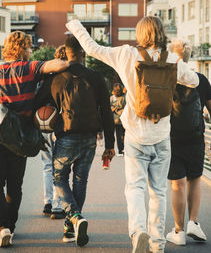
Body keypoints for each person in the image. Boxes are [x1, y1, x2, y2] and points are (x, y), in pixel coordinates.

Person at [66, 17, 199, 253]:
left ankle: (138, 231)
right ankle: (157, 244)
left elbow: (92, 48)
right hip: (161, 136)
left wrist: (75, 25)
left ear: (140, 33)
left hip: (135, 136)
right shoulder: (171, 58)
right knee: (158, 191)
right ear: (161, 32)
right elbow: (194, 80)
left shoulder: (126, 54)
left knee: (135, 188)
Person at [0, 31, 68, 248]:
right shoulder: (30, 68)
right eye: (29, 48)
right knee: (14, 185)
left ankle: (1, 226)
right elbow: (60, 65)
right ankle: (10, 227)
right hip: (19, 138)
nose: (31, 51)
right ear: (23, 49)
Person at [51, 35, 115, 247]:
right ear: (83, 52)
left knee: (59, 179)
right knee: (80, 180)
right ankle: (71, 228)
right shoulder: (96, 77)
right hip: (89, 138)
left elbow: (40, 105)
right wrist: (109, 145)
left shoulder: (56, 77)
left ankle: (75, 218)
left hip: (65, 136)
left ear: (67, 52)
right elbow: (106, 112)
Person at [166, 39, 211, 246]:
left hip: (171, 139)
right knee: (195, 179)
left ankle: (178, 232)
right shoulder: (200, 79)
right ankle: (194, 223)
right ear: (188, 58)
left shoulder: (167, 80)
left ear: (172, 57)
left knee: (177, 184)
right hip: (195, 138)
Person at [37, 45, 67, 219]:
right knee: (60, 167)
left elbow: (37, 100)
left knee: (47, 166)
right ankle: (57, 205)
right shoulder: (68, 77)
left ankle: (47, 202)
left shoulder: (46, 77)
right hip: (61, 126)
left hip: (44, 123)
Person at [110, 83, 126, 156]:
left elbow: (108, 107)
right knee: (121, 135)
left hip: (113, 119)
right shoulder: (124, 97)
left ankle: (111, 149)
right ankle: (121, 150)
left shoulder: (112, 98)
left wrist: (113, 109)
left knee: (113, 135)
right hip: (122, 118)